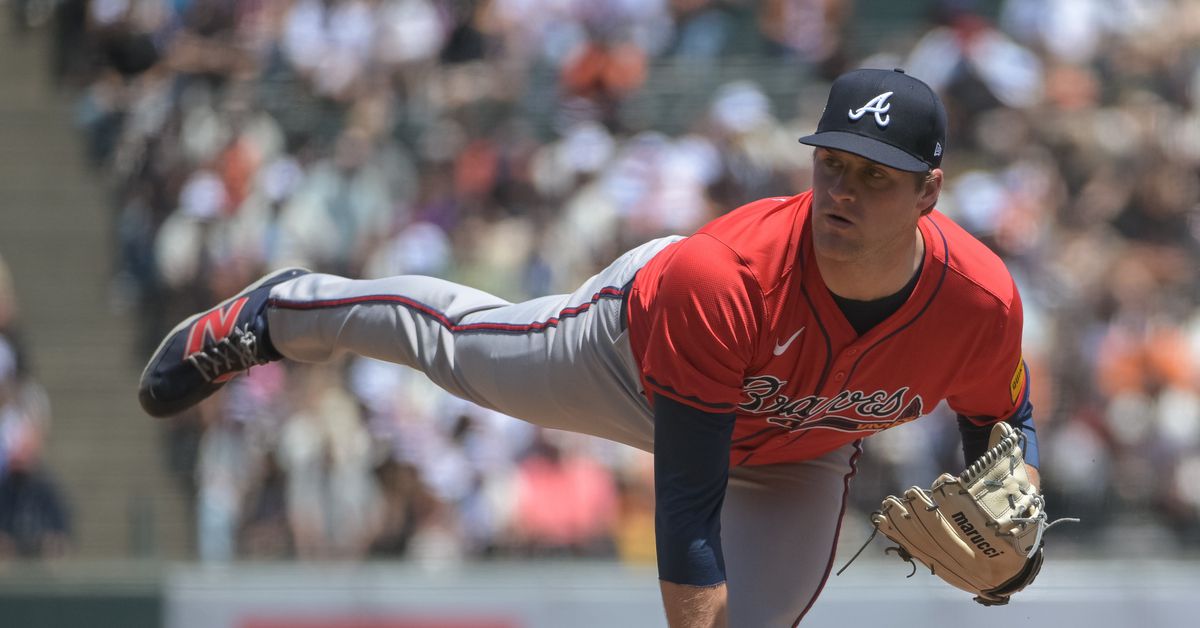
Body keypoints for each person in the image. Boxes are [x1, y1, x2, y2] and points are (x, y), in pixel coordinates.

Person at [139, 69, 1045, 627]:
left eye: (874, 177)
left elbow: (1002, 426)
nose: (841, 192)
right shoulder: (723, 276)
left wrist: (1020, 541)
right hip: (632, 361)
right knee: (460, 347)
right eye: (831, 164)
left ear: (929, 193)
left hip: (797, 459)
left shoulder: (979, 303)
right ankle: (284, 311)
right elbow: (687, 505)